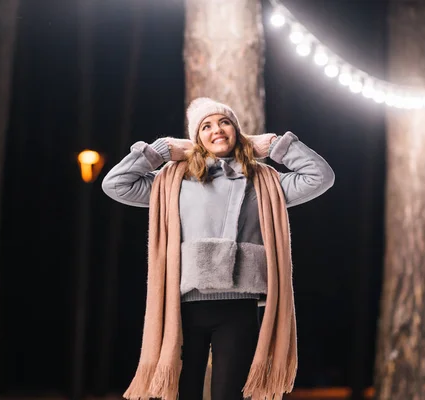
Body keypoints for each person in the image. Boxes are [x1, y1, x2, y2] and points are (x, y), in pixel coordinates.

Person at [101, 97, 335, 400]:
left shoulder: (264, 181)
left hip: (238, 306)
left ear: (237, 131)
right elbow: (116, 183)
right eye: (206, 126)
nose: (217, 130)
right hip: (183, 306)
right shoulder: (173, 180)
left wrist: (276, 145)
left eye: (224, 122)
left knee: (229, 395)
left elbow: (320, 176)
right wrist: (160, 151)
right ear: (195, 138)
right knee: (182, 394)